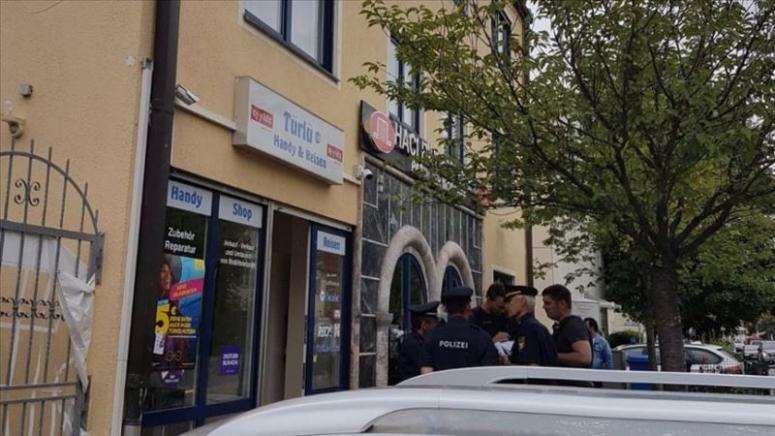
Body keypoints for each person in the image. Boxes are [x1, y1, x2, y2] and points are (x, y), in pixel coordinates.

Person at [420, 286, 498, 373]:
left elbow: (426, 372)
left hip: (440, 382)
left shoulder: (432, 336)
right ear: (468, 307)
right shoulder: (481, 337)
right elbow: (488, 372)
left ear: (446, 309)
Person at [504, 285, 557, 366]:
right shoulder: (530, 326)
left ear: (522, 301)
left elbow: (530, 368)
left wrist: (507, 364)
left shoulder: (529, 328)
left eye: (509, 301)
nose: (506, 306)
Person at [541, 284, 592, 368]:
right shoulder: (562, 326)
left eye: (548, 303)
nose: (544, 307)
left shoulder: (573, 325)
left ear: (562, 303)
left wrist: (551, 356)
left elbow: (584, 357)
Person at [397, 301, 440, 382]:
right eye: (434, 323)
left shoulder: (420, 340)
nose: (436, 326)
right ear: (424, 325)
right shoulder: (413, 343)